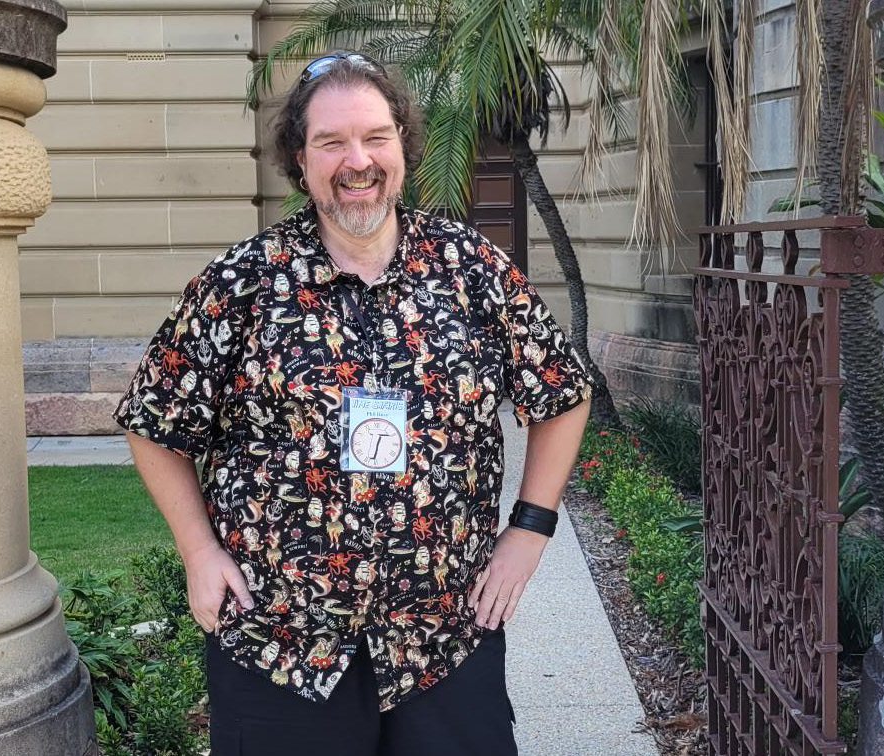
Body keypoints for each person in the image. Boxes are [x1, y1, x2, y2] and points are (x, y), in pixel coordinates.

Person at [113, 51, 592, 756]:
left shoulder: (469, 268)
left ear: (403, 145)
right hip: (281, 641)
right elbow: (153, 419)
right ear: (300, 161)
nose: (356, 161)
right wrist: (198, 551)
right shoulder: (243, 281)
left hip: (444, 635)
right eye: (331, 143)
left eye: (374, 137)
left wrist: (529, 530)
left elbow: (562, 391)